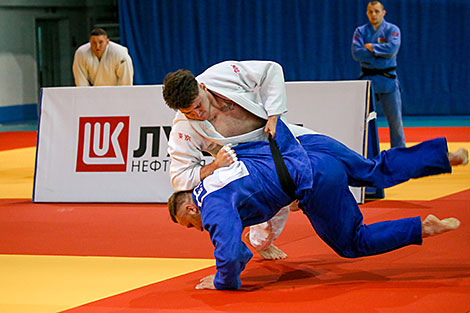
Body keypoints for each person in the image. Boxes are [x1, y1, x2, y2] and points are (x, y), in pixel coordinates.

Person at [168, 119, 468, 290]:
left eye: (190, 224)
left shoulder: (211, 206)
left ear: (191, 208)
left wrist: (221, 281)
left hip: (315, 177)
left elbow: (231, 253)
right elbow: (260, 153)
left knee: (353, 242)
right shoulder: (222, 170)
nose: (198, 229)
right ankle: (443, 156)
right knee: (373, 169)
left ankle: (422, 228)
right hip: (307, 145)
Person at [163, 61, 315, 260]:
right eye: (188, 112)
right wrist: (214, 166)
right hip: (248, 160)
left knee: (324, 154)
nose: (197, 114)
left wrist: (274, 113)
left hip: (272, 132)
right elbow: (179, 177)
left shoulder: (221, 75)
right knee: (277, 204)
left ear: (202, 86)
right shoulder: (184, 127)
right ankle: (260, 241)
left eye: (198, 106)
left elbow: (271, 70)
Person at [352, 1, 405, 148]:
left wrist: (372, 48)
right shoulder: (360, 31)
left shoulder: (392, 30)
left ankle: (399, 153)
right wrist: (381, 52)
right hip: (368, 81)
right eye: (370, 11)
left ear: (383, 12)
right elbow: (357, 53)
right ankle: (364, 151)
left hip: (387, 81)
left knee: (395, 122)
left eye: (376, 11)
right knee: (364, 122)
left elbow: (392, 49)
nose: (373, 14)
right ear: (367, 13)